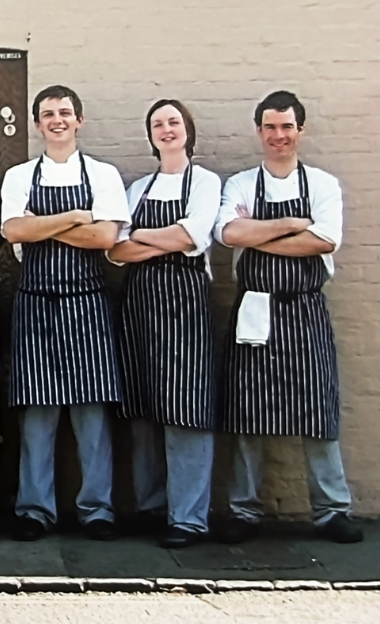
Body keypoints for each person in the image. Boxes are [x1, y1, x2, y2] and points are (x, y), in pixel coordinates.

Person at [214, 90, 362, 544]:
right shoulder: (240, 184)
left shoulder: (322, 184)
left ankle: (332, 510)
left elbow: (325, 241)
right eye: (270, 127)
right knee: (246, 412)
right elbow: (228, 232)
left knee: (317, 408)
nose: (279, 135)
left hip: (305, 308)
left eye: (287, 127)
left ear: (301, 130)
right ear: (259, 131)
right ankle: (243, 510)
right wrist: (293, 224)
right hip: (254, 307)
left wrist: (259, 232)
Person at [0, 85, 129, 542]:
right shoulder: (19, 175)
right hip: (34, 302)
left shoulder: (103, 173)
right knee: (37, 415)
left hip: (88, 302)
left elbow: (107, 239)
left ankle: (97, 508)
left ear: (79, 121)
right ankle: (35, 509)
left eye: (65, 113)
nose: (57, 120)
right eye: (48, 114)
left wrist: (44, 226)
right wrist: (77, 216)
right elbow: (13, 228)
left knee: (91, 415)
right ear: (37, 124)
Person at [107, 100, 220, 548]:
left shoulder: (207, 183)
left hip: (187, 306)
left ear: (188, 129)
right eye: (158, 124)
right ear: (149, 135)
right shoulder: (136, 190)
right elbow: (115, 250)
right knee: (144, 407)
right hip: (140, 307)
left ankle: (188, 517)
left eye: (174, 122)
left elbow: (193, 237)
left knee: (187, 408)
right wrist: (166, 238)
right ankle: (151, 506)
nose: (167, 129)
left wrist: (143, 237)